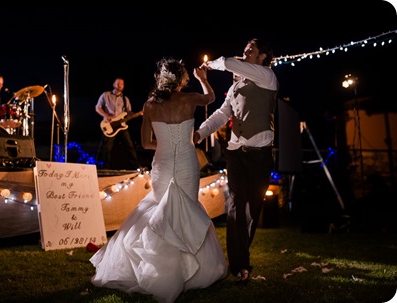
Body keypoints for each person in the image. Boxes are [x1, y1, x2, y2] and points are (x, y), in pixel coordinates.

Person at [90, 58, 227, 303]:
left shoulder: (150, 105)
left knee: (159, 209)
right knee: (187, 209)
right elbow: (211, 99)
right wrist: (203, 80)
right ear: (179, 79)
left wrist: (163, 146)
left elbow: (145, 143)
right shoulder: (189, 98)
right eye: (185, 75)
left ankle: (157, 269)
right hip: (186, 163)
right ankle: (186, 272)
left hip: (163, 164)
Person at [194, 38, 279, 283]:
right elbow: (222, 114)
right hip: (235, 152)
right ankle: (240, 266)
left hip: (260, 154)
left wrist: (212, 65)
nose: (245, 52)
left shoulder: (267, 77)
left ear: (262, 56)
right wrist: (200, 132)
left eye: (250, 49)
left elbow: (230, 63)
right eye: (245, 49)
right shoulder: (234, 87)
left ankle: (242, 259)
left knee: (252, 210)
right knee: (234, 207)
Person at [95, 77, 141, 169]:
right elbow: (98, 108)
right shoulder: (106, 95)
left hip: (121, 125)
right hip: (109, 125)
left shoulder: (125, 99)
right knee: (107, 148)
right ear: (113, 85)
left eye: (122, 84)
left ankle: (136, 167)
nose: (120, 85)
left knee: (129, 145)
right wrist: (107, 115)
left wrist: (136, 114)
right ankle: (106, 168)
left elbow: (128, 112)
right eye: (118, 83)